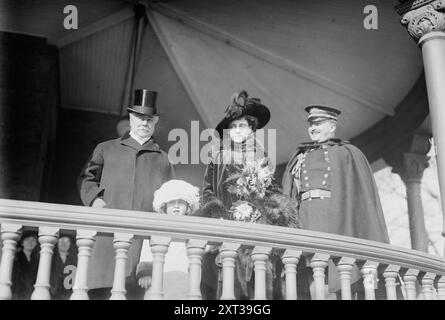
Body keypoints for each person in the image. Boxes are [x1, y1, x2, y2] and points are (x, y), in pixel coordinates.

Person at [196, 90, 302, 300]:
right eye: (233, 127)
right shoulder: (218, 156)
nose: (236, 130)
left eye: (241, 126)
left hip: (257, 229)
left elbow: (273, 192)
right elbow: (207, 190)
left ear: (251, 128)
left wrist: (269, 211)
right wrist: (217, 212)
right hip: (227, 226)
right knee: (229, 282)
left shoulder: (262, 157)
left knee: (260, 282)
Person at [281, 105, 390, 299]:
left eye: (318, 123)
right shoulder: (300, 155)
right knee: (311, 275)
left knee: (338, 275)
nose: (313, 128)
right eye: (311, 124)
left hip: (336, 220)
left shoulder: (347, 153)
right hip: (306, 219)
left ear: (332, 126)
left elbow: (360, 196)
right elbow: (290, 193)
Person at [78, 89, 175, 299]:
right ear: (131, 118)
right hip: (105, 241)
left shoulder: (163, 159)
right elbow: (86, 179)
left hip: (140, 249)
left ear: (155, 122)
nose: (144, 123)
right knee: (100, 292)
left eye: (149, 119)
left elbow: (168, 207)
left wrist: (149, 265)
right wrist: (94, 200)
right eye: (140, 118)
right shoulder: (106, 149)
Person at [136, 179, 200, 299]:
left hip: (183, 278)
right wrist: (145, 273)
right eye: (171, 202)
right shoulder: (156, 226)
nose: (176, 206)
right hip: (159, 277)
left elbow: (202, 246)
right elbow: (146, 250)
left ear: (188, 207)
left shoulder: (192, 227)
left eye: (181, 202)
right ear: (164, 206)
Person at [11, 231, 40, 300]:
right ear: (22, 242)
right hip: (17, 292)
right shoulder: (16, 256)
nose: (30, 243)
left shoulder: (37, 258)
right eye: (27, 240)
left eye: (33, 240)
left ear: (36, 243)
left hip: (32, 293)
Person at [50, 235, 78, 300]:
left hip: (67, 295)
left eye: (66, 241)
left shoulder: (74, 260)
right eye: (61, 241)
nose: (63, 244)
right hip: (52, 295)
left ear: (70, 244)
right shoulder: (51, 258)